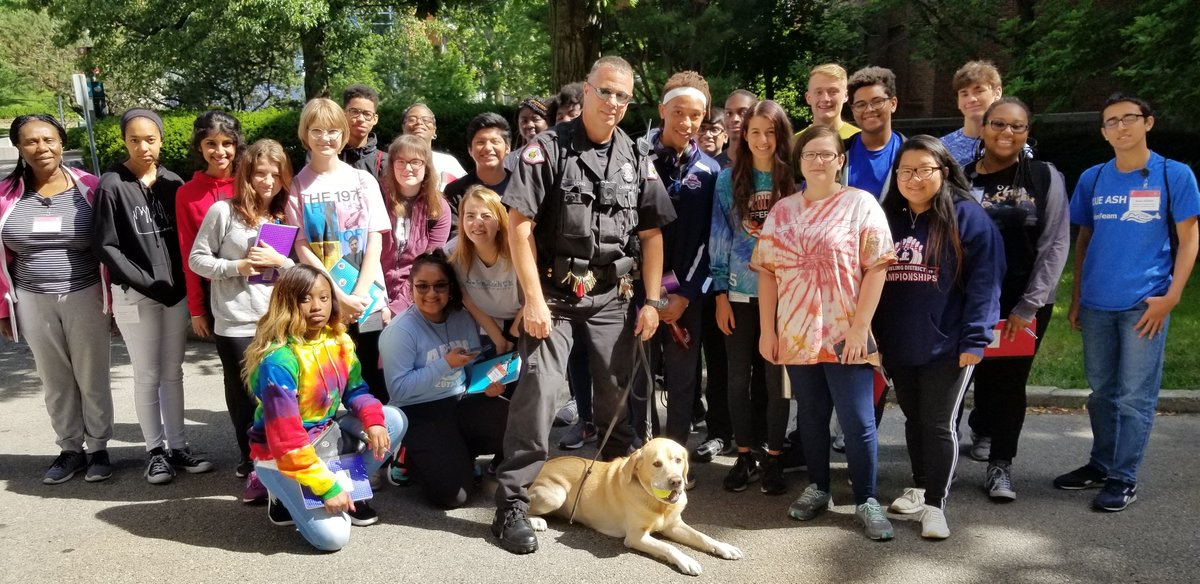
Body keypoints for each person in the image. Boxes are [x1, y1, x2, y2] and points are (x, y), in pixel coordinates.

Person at [492, 55, 675, 554]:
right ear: (586, 91)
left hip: (612, 298)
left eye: (622, 96)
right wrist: (532, 299)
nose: (613, 103)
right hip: (553, 296)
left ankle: (616, 493)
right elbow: (519, 225)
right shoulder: (545, 149)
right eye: (605, 92)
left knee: (618, 397)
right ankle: (511, 501)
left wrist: (653, 301)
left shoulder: (638, 158)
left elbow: (653, 233)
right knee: (540, 391)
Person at [1057, 93, 1199, 512]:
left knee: (1135, 397)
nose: (1121, 127)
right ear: (1103, 132)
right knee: (1102, 392)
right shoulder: (1094, 178)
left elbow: (1190, 239)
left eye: (1129, 118)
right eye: (1111, 121)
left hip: (1145, 303)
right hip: (1098, 303)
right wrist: (1077, 297)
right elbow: (1083, 240)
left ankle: (1123, 477)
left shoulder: (1174, 175)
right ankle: (1100, 464)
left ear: (1148, 123)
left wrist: (1171, 297)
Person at [755, 125, 896, 539]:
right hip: (797, 334)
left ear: (840, 160)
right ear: (799, 162)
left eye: (827, 154)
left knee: (857, 420)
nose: (819, 161)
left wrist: (859, 329)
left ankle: (867, 499)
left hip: (844, 333)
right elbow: (767, 273)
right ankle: (817, 488)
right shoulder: (782, 211)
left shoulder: (860, 205)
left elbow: (877, 267)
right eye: (810, 154)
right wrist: (768, 330)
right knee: (812, 418)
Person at [874, 135, 1004, 539]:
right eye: (905, 171)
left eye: (924, 170)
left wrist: (975, 340)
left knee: (938, 423)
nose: (914, 178)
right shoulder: (886, 218)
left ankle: (936, 504)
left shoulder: (968, 217)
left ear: (944, 172)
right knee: (914, 419)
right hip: (898, 343)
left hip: (948, 344)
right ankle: (919, 486)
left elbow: (986, 283)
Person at [243, 264, 407, 550]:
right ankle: (280, 491)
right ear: (287, 303)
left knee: (392, 419)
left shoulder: (339, 341)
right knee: (334, 538)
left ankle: (352, 493)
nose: (316, 306)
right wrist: (327, 487)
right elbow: (287, 439)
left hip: (325, 439)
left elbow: (356, 390)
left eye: (323, 297)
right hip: (282, 453)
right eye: (305, 298)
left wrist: (373, 419)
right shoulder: (278, 360)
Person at [92, 108, 215, 484]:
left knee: (173, 373)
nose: (143, 147)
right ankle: (155, 451)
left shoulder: (172, 182)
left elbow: (185, 240)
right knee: (147, 375)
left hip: (174, 293)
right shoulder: (111, 184)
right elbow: (105, 245)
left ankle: (178, 446)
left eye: (150, 139)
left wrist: (180, 285)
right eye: (134, 140)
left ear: (161, 140)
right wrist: (146, 281)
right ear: (124, 141)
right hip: (136, 295)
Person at [964, 98, 1070, 500]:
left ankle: (1000, 467)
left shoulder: (1044, 176)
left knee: (1008, 384)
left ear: (1027, 132)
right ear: (984, 127)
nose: (1006, 133)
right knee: (958, 379)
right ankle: (938, 465)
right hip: (968, 300)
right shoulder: (960, 177)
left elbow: (1056, 242)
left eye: (1017, 127)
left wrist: (1030, 304)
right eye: (998, 124)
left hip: (1022, 300)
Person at [1, 114, 113, 485]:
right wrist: (3, 308)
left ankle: (98, 449)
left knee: (91, 373)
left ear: (61, 142)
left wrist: (116, 300)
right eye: (31, 141)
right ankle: (70, 449)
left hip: (85, 293)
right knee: (54, 378)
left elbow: (109, 245)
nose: (41, 148)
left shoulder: (90, 187)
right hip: (31, 299)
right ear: (18, 147)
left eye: (48, 140)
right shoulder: (5, 195)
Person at [188, 139, 296, 502]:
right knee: (244, 397)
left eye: (275, 174)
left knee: (278, 394)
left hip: (276, 321)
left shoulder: (283, 216)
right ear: (246, 174)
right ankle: (250, 459)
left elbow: (296, 273)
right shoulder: (223, 212)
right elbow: (197, 260)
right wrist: (240, 266)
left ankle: (276, 456)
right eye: (260, 173)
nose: (268, 181)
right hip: (235, 321)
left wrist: (281, 264)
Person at [628, 71, 716, 461]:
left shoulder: (711, 172)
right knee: (639, 378)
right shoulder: (632, 158)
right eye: (678, 112)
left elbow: (713, 240)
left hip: (685, 297)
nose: (686, 122)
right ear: (662, 110)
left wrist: (687, 294)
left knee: (682, 380)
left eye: (695, 115)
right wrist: (647, 292)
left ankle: (676, 458)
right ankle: (642, 454)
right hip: (636, 291)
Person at [709, 99, 794, 494]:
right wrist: (721, 292)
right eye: (754, 131)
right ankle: (744, 455)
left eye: (770, 131)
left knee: (777, 381)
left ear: (781, 135)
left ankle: (774, 457)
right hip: (739, 296)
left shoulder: (795, 178)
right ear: (744, 135)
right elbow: (721, 236)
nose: (762, 139)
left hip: (785, 298)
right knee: (737, 379)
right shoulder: (728, 180)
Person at [379, 251, 508, 508]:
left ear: (451, 288)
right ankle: (407, 457)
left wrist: (489, 386)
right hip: (417, 411)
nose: (431, 294)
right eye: (422, 286)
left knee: (511, 420)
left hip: (457, 400)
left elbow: (470, 369)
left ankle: (457, 456)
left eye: (440, 285)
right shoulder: (400, 331)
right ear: (410, 287)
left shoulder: (462, 318)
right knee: (452, 497)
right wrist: (444, 364)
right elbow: (399, 391)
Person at [286, 98, 390, 404]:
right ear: (305, 134)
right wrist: (338, 297)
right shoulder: (296, 186)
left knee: (372, 379)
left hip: (367, 301)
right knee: (326, 383)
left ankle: (382, 449)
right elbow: (301, 245)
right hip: (323, 302)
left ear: (343, 133)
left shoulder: (363, 180)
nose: (325, 138)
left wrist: (357, 296)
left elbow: (375, 239)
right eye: (316, 130)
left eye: (332, 130)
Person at [175, 111, 243, 340]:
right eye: (211, 144)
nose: (220, 151)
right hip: (214, 291)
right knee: (232, 368)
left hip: (255, 286)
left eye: (227, 143)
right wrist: (196, 310)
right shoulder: (187, 194)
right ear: (199, 147)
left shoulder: (250, 183)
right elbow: (189, 254)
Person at [379, 134, 452, 317]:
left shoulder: (438, 208)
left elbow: (428, 264)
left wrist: (397, 307)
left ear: (426, 166)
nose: (408, 168)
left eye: (415, 162)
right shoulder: (377, 196)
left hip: (415, 300)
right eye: (401, 161)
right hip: (373, 296)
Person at [448, 185, 521, 355]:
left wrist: (510, 339)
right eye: (470, 216)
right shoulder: (451, 253)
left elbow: (531, 301)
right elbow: (469, 302)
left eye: (486, 216)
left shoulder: (517, 249)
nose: (477, 223)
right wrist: (499, 340)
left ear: (500, 221)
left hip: (522, 321)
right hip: (486, 324)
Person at [446, 113, 512, 236]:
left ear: (507, 148)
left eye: (495, 141)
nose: (488, 148)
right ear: (470, 150)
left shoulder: (522, 188)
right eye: (480, 142)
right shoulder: (455, 192)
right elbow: (454, 236)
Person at [844, 66, 904, 199]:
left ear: (893, 104)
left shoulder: (910, 152)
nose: (869, 109)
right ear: (853, 111)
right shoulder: (839, 153)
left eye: (877, 102)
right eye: (860, 104)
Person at [940, 61, 1003, 169]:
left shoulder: (1012, 144)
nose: (971, 99)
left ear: (997, 93)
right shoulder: (940, 149)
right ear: (958, 101)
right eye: (964, 94)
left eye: (978, 91)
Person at [402, 103, 466, 191]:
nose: (419, 123)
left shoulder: (450, 163)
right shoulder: (393, 162)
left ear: (434, 130)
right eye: (412, 119)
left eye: (426, 120)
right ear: (403, 128)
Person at [798, 63, 861, 140]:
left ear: (846, 96)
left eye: (833, 91)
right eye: (819, 92)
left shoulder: (861, 140)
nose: (825, 99)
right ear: (808, 98)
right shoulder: (792, 144)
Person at [340, 84, 387, 181]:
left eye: (367, 114)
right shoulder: (329, 157)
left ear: (375, 119)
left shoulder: (385, 162)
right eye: (354, 112)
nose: (361, 119)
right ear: (343, 114)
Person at [714, 89, 757, 169]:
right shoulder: (713, 168)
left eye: (743, 113)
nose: (734, 119)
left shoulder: (769, 166)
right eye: (729, 113)